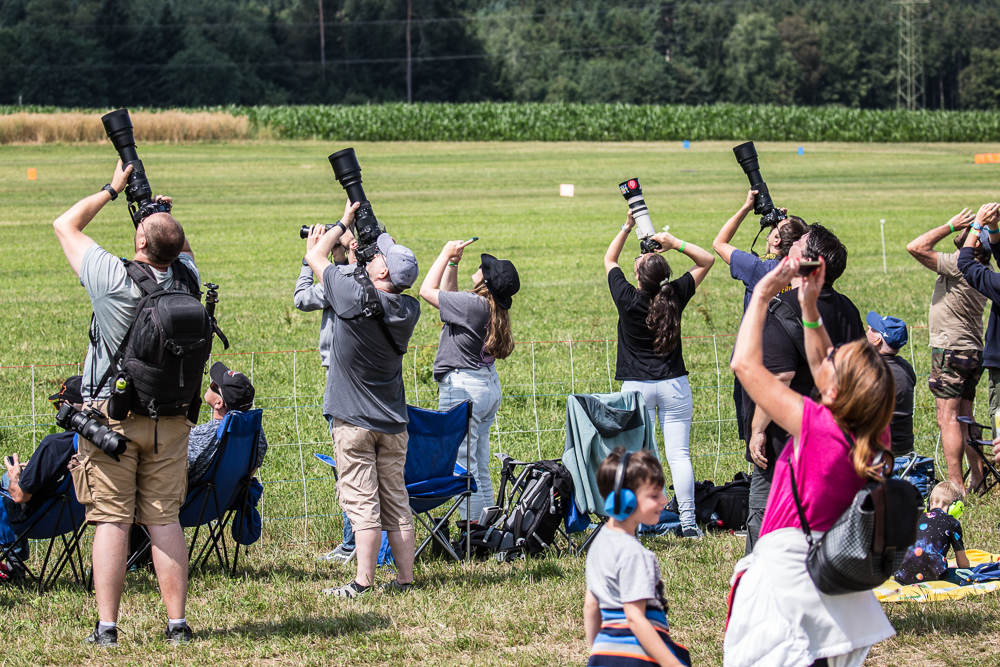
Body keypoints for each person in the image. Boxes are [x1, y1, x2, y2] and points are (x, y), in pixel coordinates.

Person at [52, 160, 197, 646]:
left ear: (139, 244)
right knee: (163, 519)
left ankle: (108, 627)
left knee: (111, 521)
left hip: (110, 422)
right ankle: (177, 625)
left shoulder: (113, 279)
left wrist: (114, 190)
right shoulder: (189, 279)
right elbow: (176, 246)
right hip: (172, 421)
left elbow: (64, 224)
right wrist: (159, 218)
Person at [726, 256, 895, 667]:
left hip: (792, 585)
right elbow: (821, 363)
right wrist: (809, 307)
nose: (827, 358)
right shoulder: (874, 434)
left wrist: (764, 293)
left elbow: (745, 365)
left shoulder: (818, 426)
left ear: (835, 392)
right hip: (839, 584)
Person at [305, 200, 421, 599]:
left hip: (353, 420)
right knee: (395, 501)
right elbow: (373, 278)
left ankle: (362, 582)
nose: (372, 256)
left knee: (362, 504)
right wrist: (362, 252)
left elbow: (315, 257)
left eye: (378, 257)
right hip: (393, 422)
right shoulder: (409, 308)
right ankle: (405, 580)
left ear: (382, 269)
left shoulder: (352, 297)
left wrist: (341, 224)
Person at [742, 223, 864, 553]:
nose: (791, 245)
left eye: (799, 243)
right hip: (835, 439)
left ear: (808, 262)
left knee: (765, 517)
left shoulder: (783, 309)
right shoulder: (848, 309)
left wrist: (757, 430)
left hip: (787, 441)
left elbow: (778, 378)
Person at [605, 208, 715, 538]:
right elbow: (707, 260)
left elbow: (610, 260)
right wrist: (673, 242)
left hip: (636, 387)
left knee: (640, 457)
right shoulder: (674, 294)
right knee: (679, 454)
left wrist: (626, 227)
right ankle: (688, 523)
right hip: (674, 385)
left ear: (638, 278)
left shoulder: (626, 297)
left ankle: (637, 523)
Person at [418, 240, 520, 522]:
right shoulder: (486, 307)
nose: (479, 268)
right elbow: (450, 295)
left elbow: (427, 291)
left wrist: (442, 254)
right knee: (479, 464)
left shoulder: (473, 305)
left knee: (462, 465)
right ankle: (489, 525)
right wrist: (454, 263)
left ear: (485, 280)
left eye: (482, 268)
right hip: (486, 386)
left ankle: (473, 529)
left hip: (464, 388)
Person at [713, 190, 807, 442]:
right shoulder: (805, 270)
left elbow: (719, 243)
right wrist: (788, 227)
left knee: (756, 437)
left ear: (776, 241)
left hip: (754, 363)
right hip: (793, 359)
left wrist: (745, 207)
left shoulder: (758, 270)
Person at [584, 447, 690, 667]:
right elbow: (635, 618)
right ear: (624, 500)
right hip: (635, 657)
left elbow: (591, 606)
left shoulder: (599, 544)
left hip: (605, 652)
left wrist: (597, 651)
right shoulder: (635, 554)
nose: (664, 500)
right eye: (654, 495)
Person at [907, 208, 990, 490]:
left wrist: (950, 226)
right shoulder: (983, 271)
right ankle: (978, 476)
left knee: (948, 418)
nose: (969, 230)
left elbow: (915, 247)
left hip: (950, 349)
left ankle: (956, 486)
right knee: (966, 415)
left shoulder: (959, 265)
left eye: (974, 232)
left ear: (976, 245)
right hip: (972, 351)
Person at [294, 227, 357, 563]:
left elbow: (302, 298)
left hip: (340, 375)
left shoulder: (342, 278)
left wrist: (311, 256)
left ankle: (352, 543)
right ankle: (358, 540)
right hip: (367, 373)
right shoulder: (370, 274)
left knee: (347, 461)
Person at [1, 377, 83, 574]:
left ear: (67, 408)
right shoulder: (93, 445)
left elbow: (20, 496)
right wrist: (38, 467)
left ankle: (13, 560)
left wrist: (14, 476)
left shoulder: (53, 444)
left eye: (58, 405)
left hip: (38, 522)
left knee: (6, 481)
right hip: (73, 520)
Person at [187, 362, 268, 487]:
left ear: (219, 403)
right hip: (222, 500)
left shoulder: (200, 436)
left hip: (188, 502)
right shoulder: (256, 435)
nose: (210, 385)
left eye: (213, 385)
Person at [893, 481, 970, 585]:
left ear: (928, 503)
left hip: (901, 576)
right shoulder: (952, 522)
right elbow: (963, 564)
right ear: (956, 507)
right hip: (934, 578)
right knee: (965, 575)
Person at [865, 312, 916, 456]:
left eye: (872, 329)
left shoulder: (869, 370)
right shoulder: (906, 368)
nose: (867, 328)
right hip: (905, 447)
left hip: (878, 450)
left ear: (877, 340)